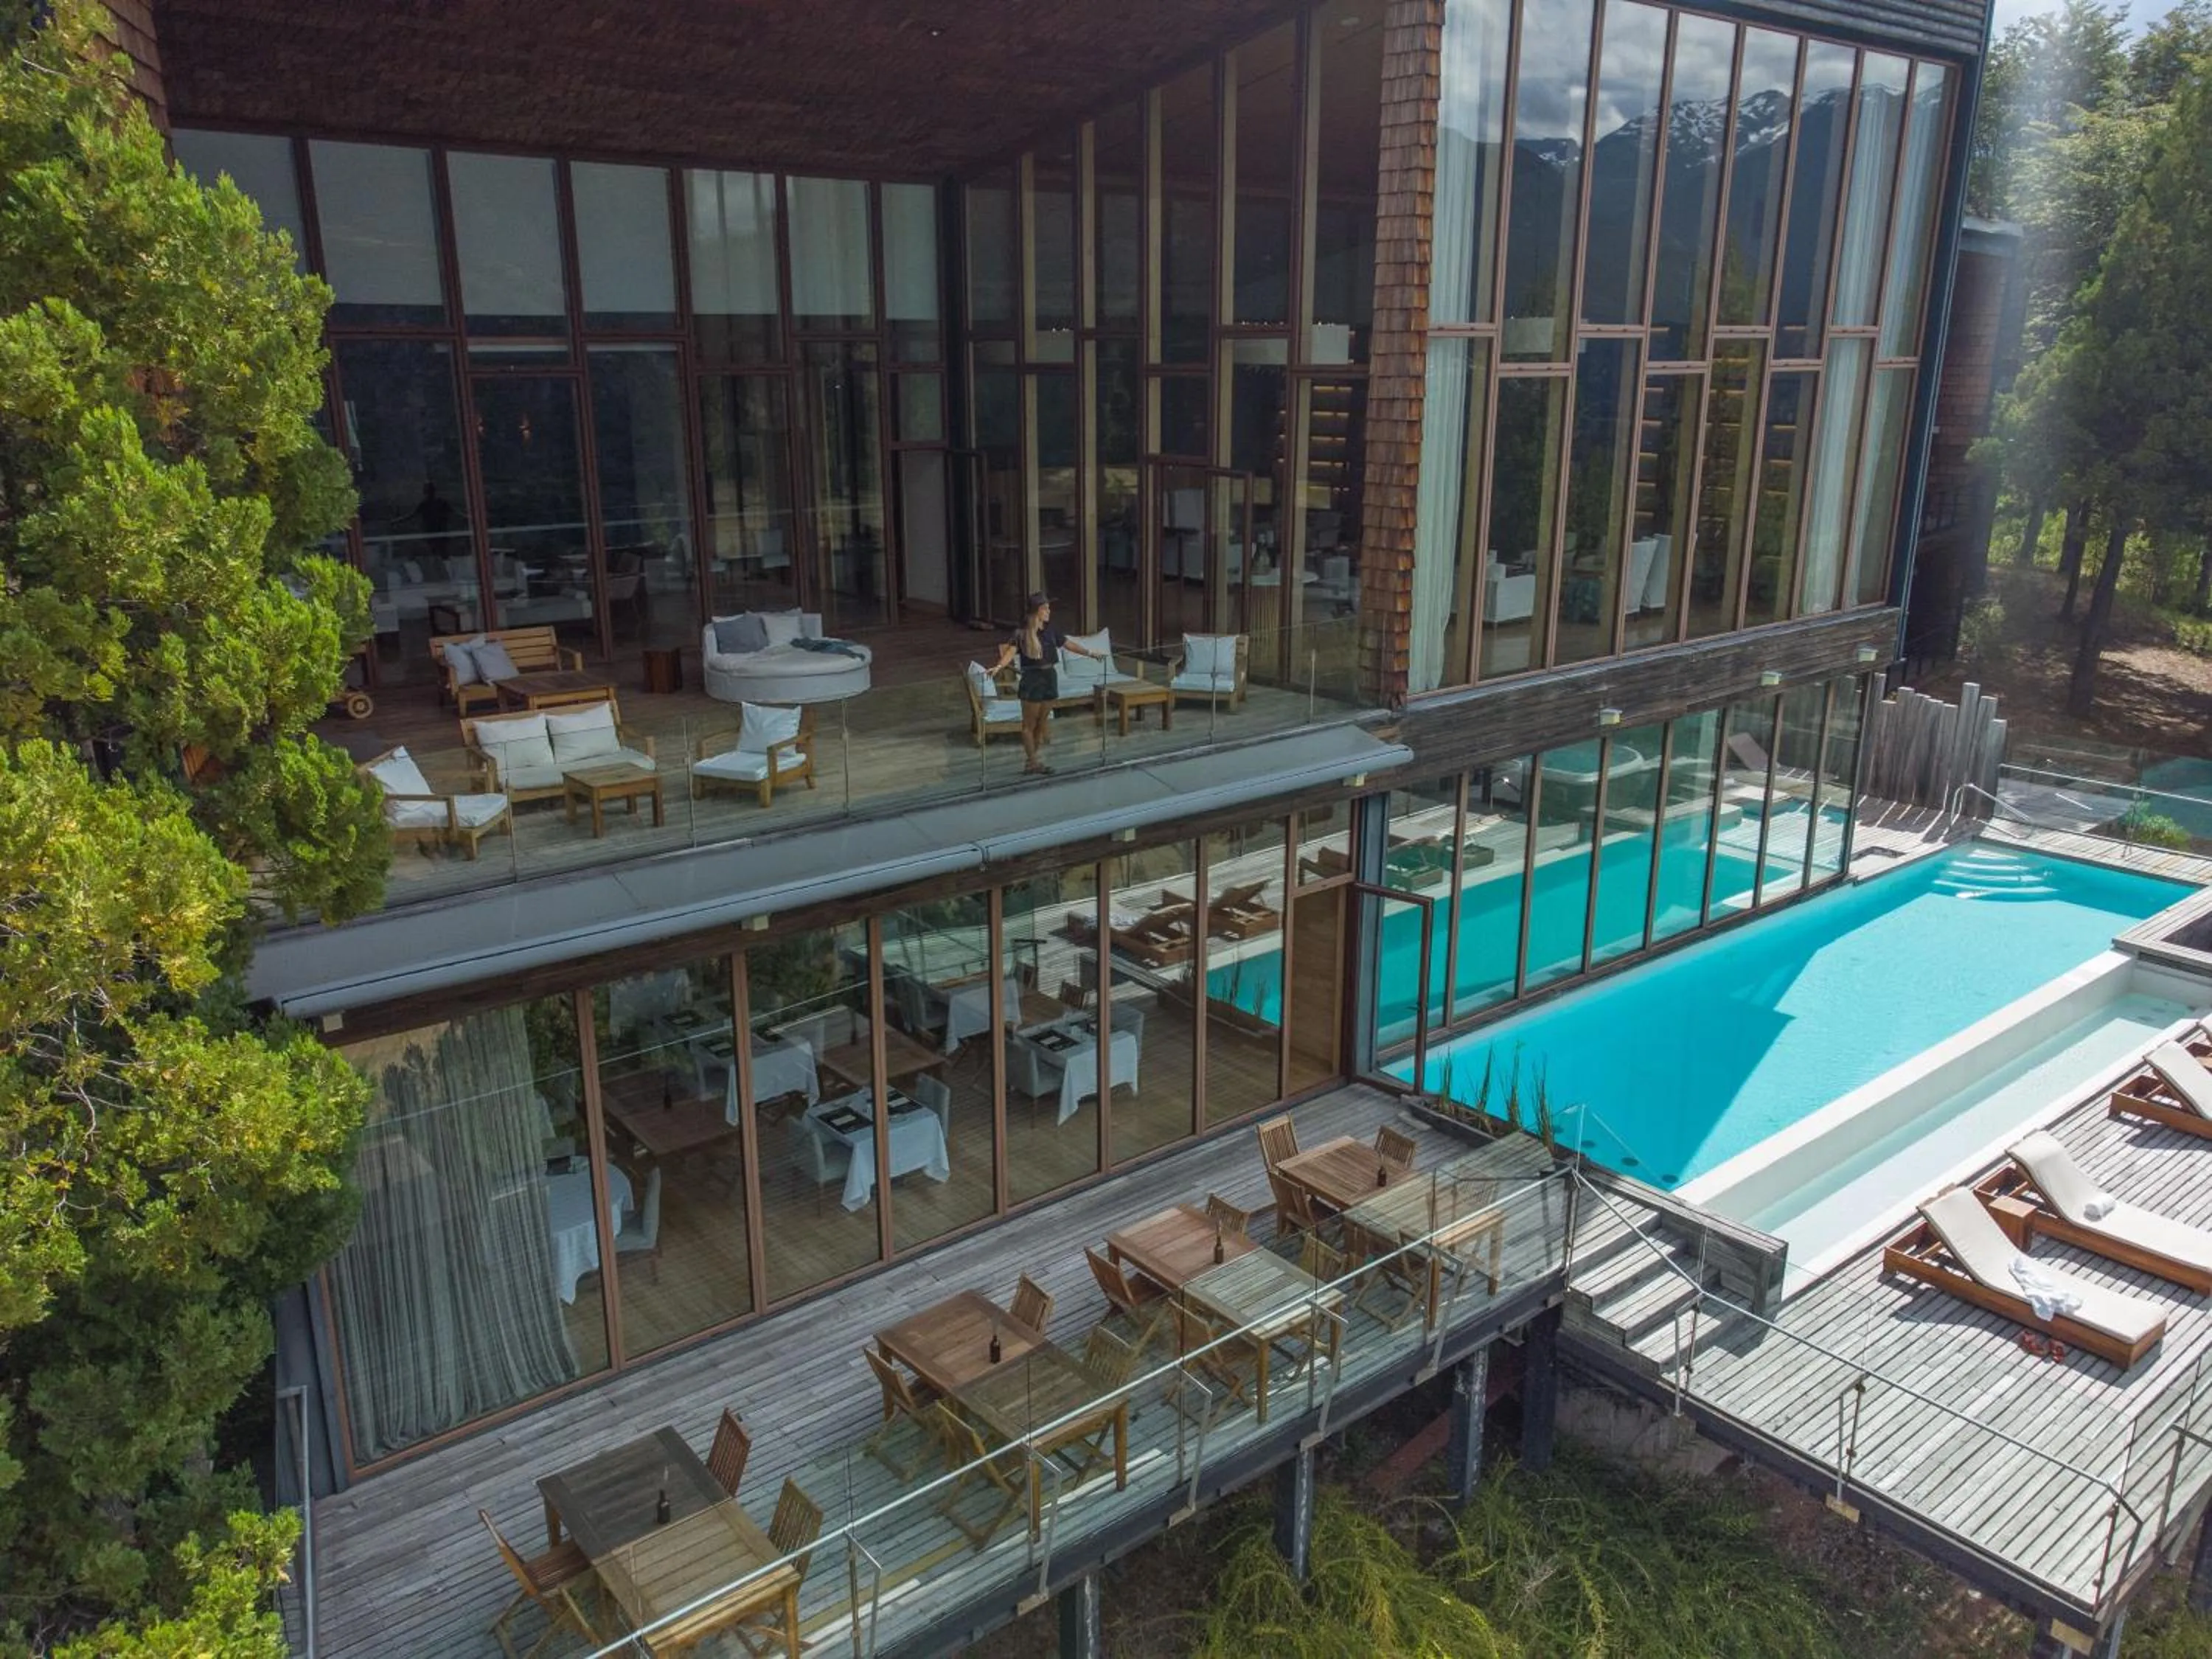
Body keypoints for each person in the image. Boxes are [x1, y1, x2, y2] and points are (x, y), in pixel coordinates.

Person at [990, 592, 1099, 775]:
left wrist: (1089, 653)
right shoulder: (1022, 633)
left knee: (1042, 722)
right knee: (1029, 725)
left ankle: (1032, 762)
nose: (1049, 611)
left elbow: (1068, 644)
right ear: (1036, 611)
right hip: (1032, 679)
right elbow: (1010, 652)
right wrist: (999, 666)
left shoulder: (1051, 630)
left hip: (1049, 677)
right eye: (1045, 608)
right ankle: (1033, 762)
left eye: (1049, 608)